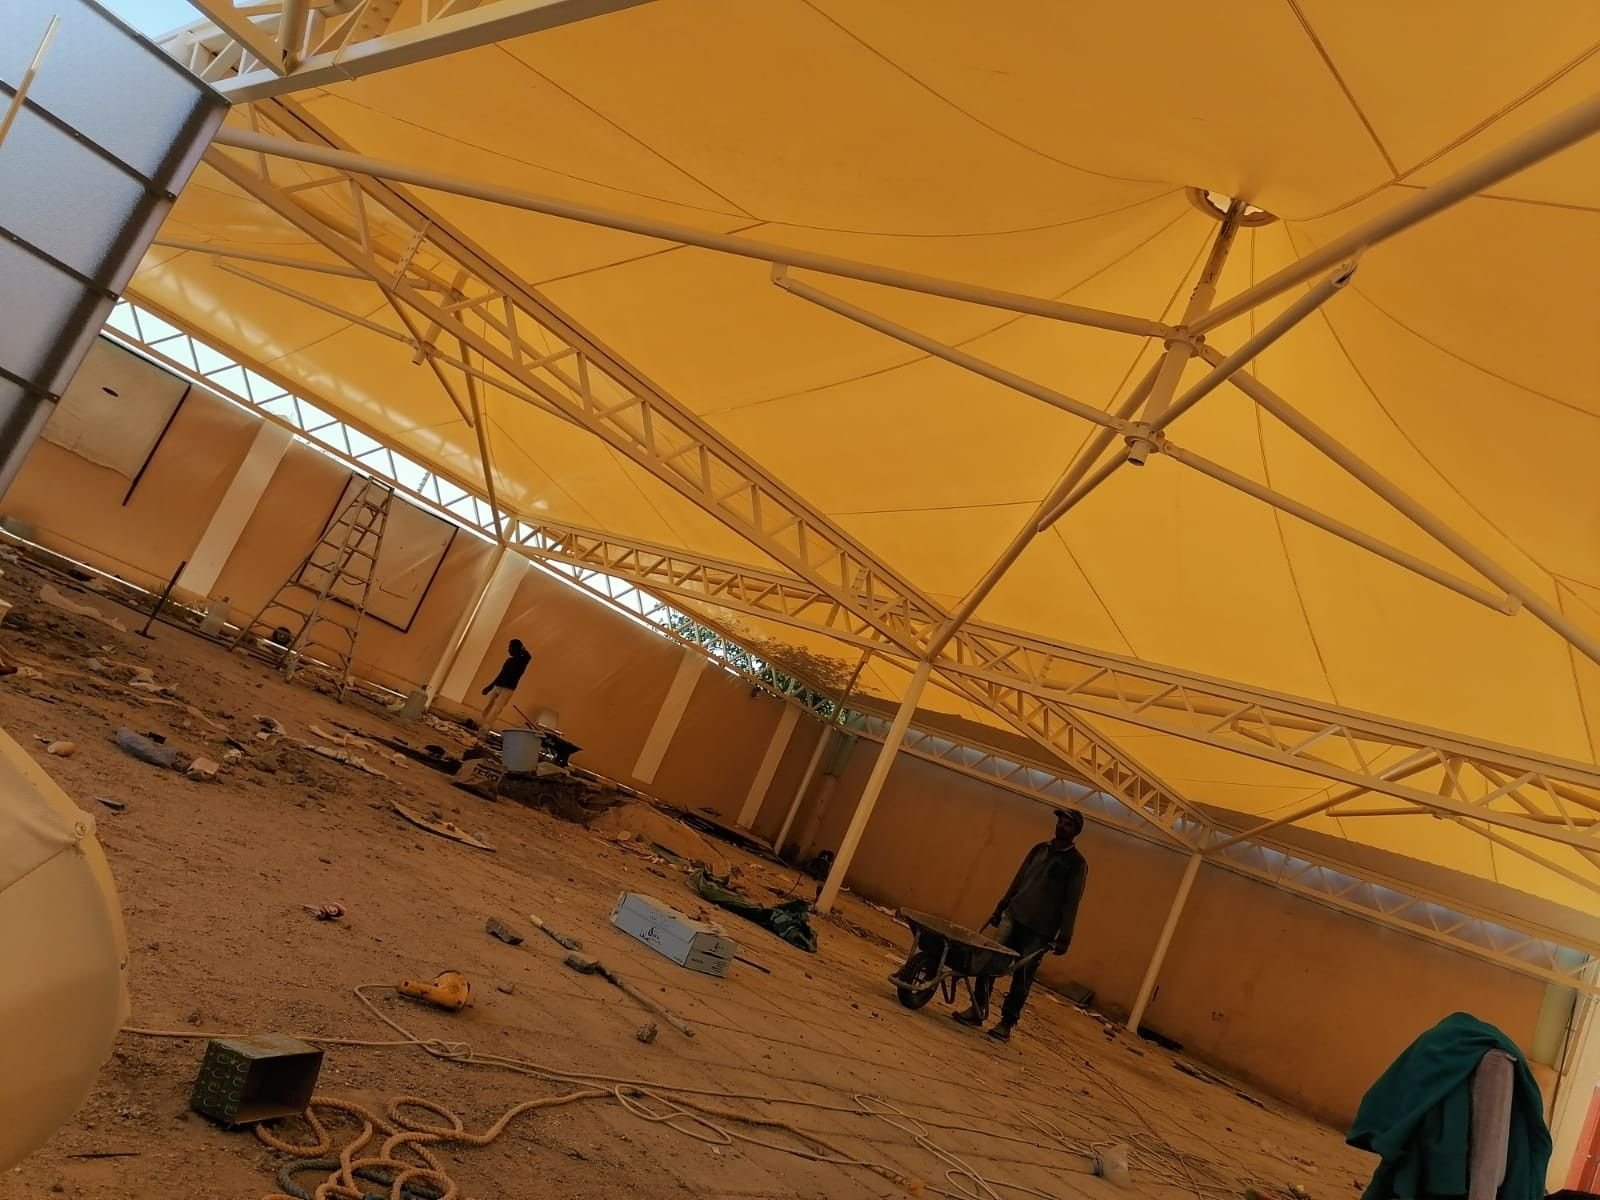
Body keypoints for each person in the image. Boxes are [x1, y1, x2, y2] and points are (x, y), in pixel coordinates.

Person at [954, 807, 1088, 1042]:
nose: (1062, 826)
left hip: (1040, 930)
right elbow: (1018, 879)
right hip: (1014, 915)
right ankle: (977, 1008)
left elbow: (1071, 902)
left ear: (1076, 831)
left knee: (1022, 977)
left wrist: (1065, 936)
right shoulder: (1039, 849)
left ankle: (1006, 1023)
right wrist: (1001, 907)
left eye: (1068, 824)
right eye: (1060, 821)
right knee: (990, 961)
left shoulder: (1076, 864)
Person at [479, 638, 531, 733]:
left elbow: (529, 656)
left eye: (510, 647)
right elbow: (500, 674)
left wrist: (523, 649)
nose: (508, 649)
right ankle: (480, 725)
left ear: (515, 648)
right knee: (487, 707)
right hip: (498, 686)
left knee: (495, 710)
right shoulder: (509, 660)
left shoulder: (522, 661)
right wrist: (490, 687)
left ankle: (484, 730)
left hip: (508, 689)